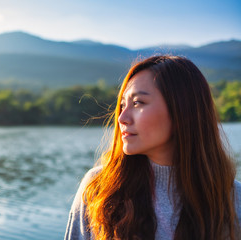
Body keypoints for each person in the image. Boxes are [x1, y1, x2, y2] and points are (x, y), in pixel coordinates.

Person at [64, 55, 241, 240]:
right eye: (123, 104)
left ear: (182, 110)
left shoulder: (233, 201)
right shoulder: (99, 189)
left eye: (137, 103)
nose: (121, 118)